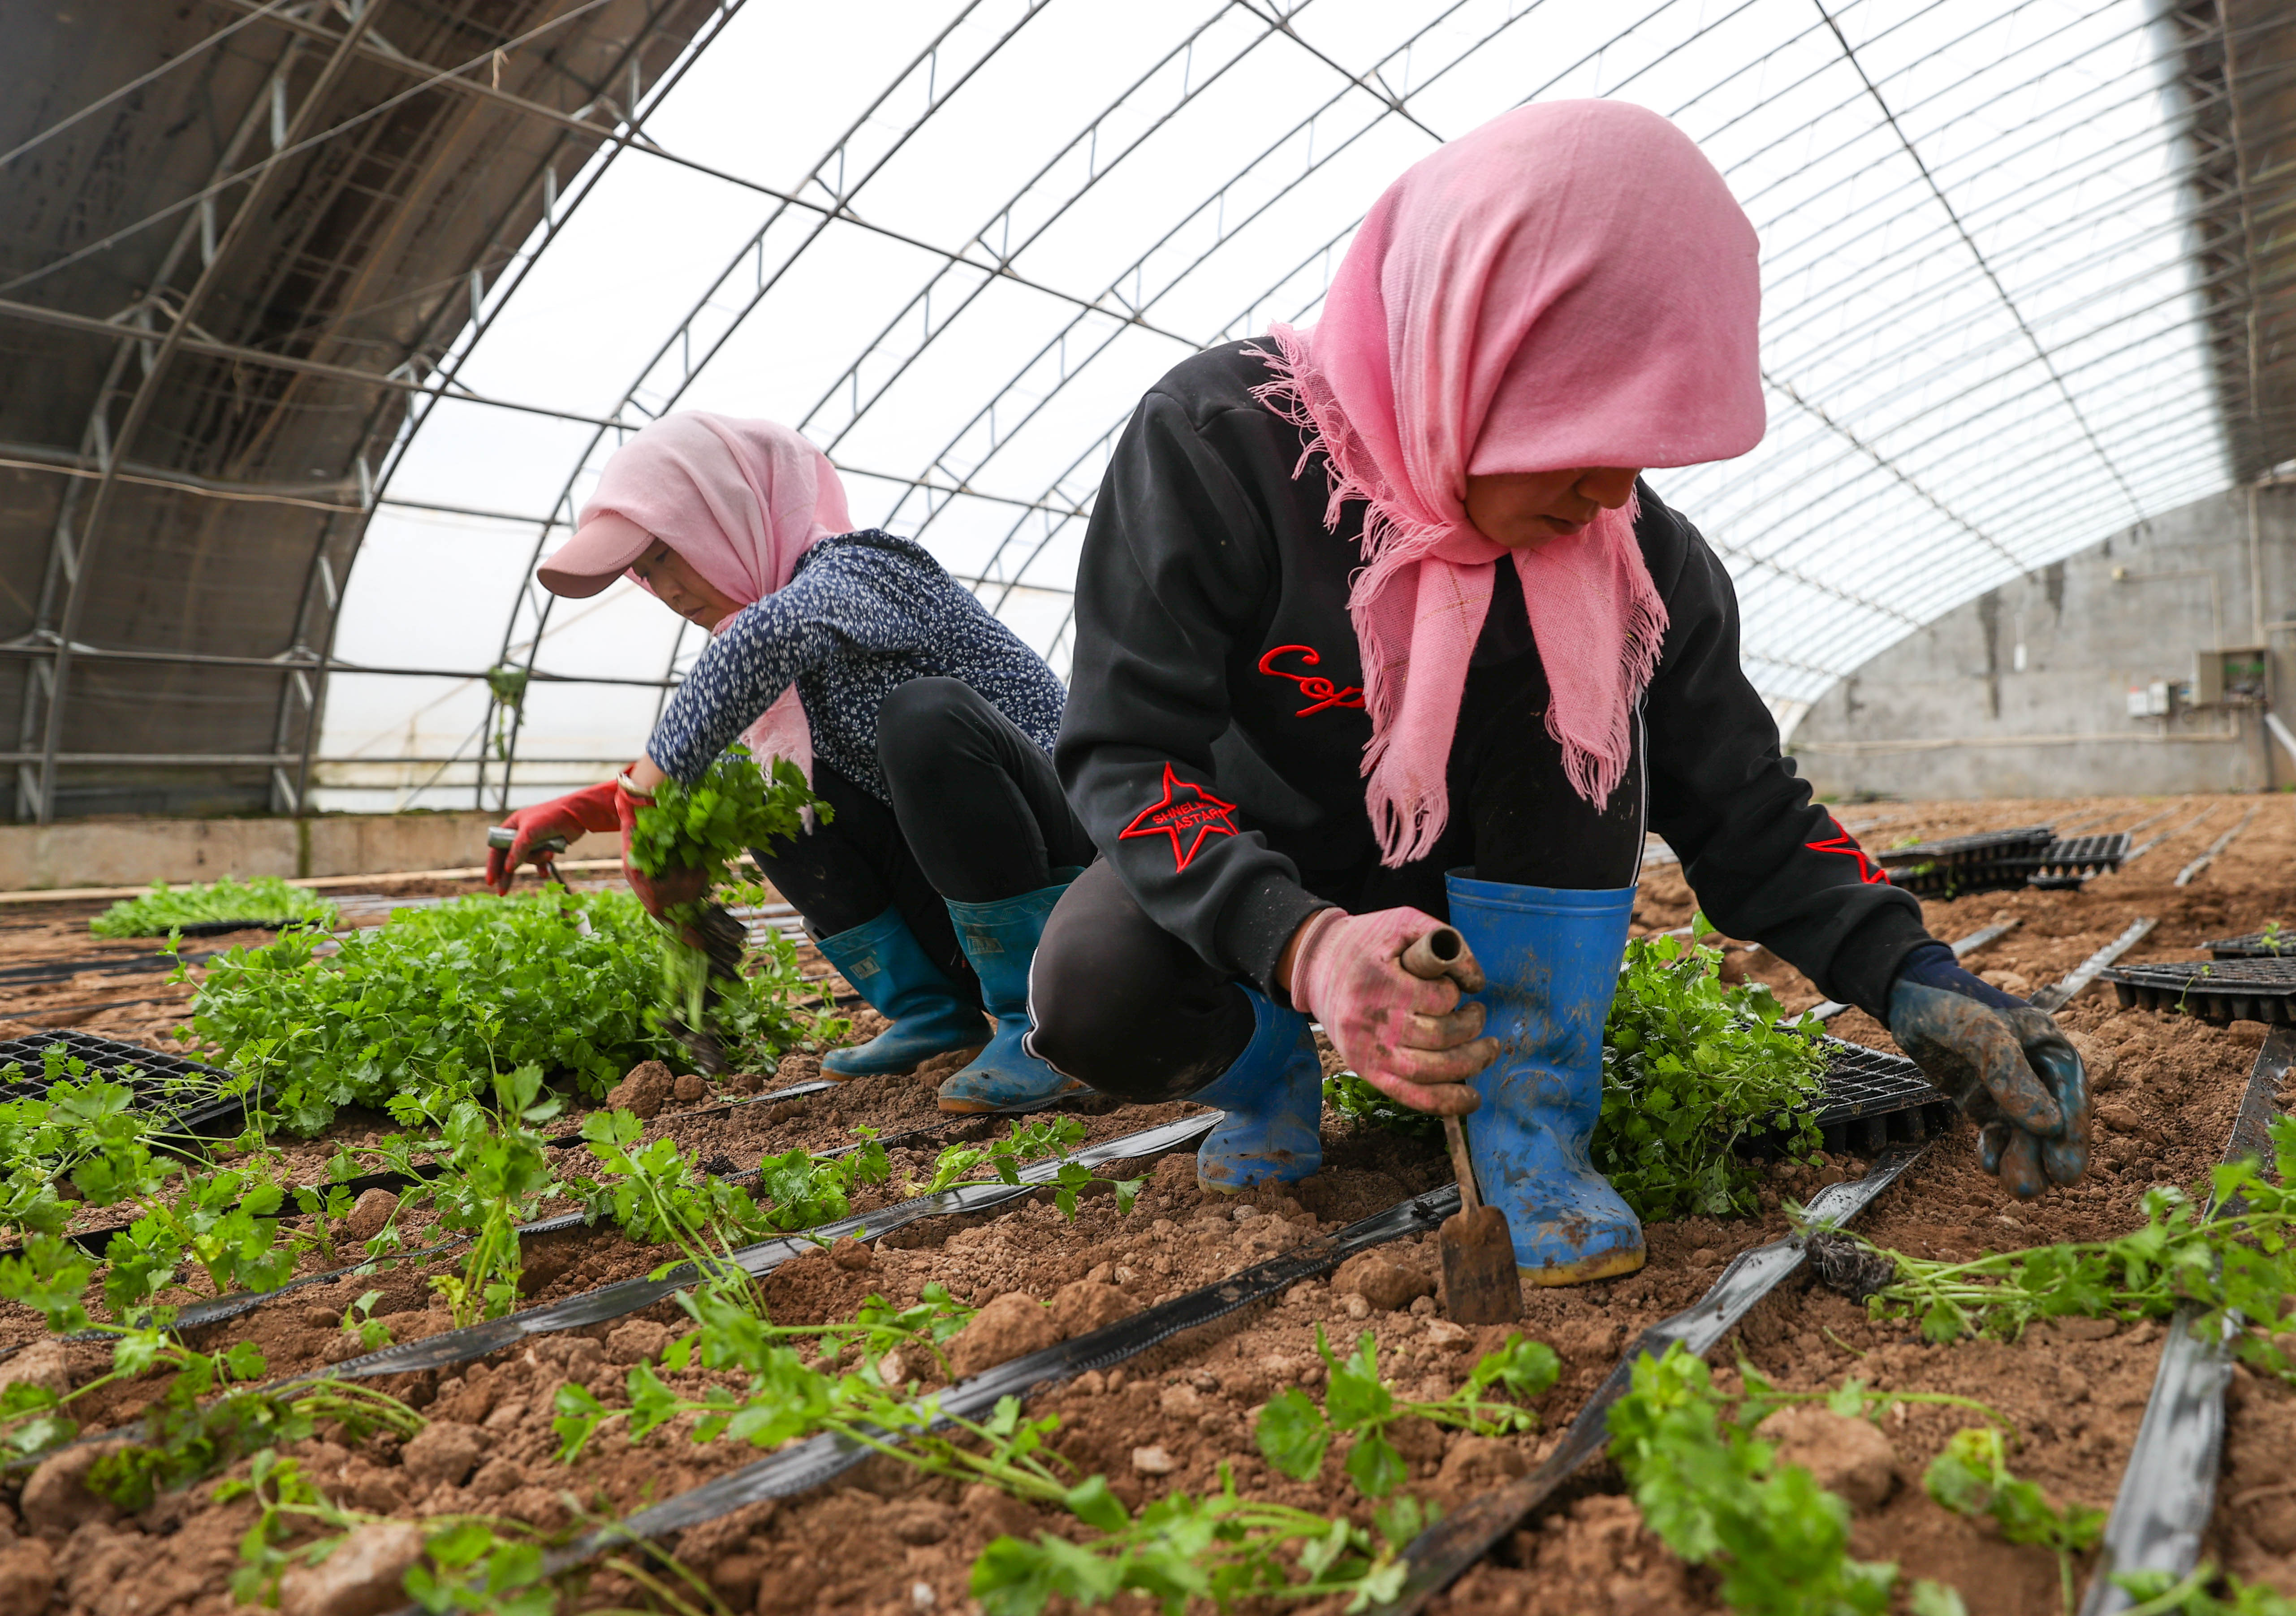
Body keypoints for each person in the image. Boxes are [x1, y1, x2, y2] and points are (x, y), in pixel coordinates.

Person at [1027, 101, 2089, 1286]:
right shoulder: (1219, 448)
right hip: (1269, 879)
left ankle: (1527, 1122)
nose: (1608, 483)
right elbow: (1124, 754)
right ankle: (1266, 1063)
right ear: (1473, 349)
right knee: (1095, 992)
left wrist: (1919, 980)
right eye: (1576, 420)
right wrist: (1307, 947)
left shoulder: (1634, 561)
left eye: (1639, 437)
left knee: (1583, 715)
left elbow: (1746, 805)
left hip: (1493, 899)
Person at [485, 412, 1093, 1114]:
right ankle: (931, 1012)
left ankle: (1046, 1025)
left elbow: (773, 636)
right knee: (765, 787)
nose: (667, 589)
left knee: (922, 719)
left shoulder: (865, 568)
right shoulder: (766, 652)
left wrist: (641, 790)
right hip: (980, 883)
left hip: (1080, 870)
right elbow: (710, 766)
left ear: (731, 515)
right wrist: (578, 811)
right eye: (645, 572)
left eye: (667, 553)